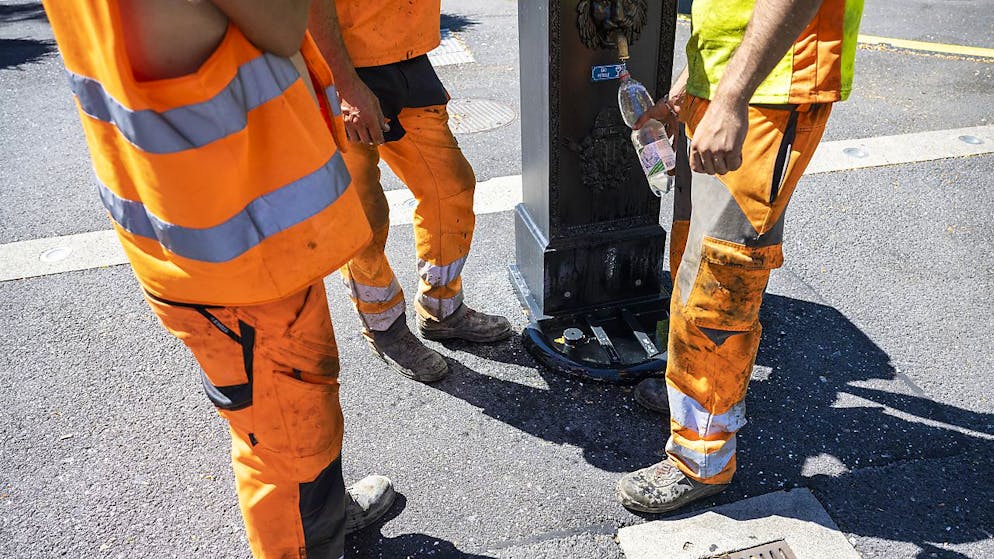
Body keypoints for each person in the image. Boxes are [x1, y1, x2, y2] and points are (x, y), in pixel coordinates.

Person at [42, 1, 396, 556]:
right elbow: (282, 24)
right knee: (290, 445)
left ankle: (320, 512)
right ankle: (305, 536)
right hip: (247, 262)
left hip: (190, 234)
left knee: (274, 427)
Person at [616, 0, 864, 513]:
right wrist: (698, 80)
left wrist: (729, 97)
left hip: (766, 95)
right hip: (731, 86)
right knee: (692, 255)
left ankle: (701, 457)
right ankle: (693, 400)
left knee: (720, 280)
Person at [308, 0, 513, 383]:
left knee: (450, 186)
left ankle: (442, 308)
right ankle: (383, 324)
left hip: (404, 55)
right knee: (363, 212)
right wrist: (347, 88)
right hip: (339, 69)